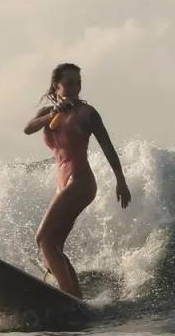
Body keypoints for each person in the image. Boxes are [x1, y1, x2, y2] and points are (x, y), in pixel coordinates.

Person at [24, 63, 131, 298]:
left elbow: (108, 148)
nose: (74, 87)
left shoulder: (87, 113)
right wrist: (53, 114)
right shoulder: (48, 113)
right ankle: (75, 298)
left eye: (78, 82)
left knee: (43, 238)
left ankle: (66, 295)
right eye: (69, 82)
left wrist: (120, 181)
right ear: (56, 85)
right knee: (54, 244)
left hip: (80, 181)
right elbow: (28, 129)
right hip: (63, 183)